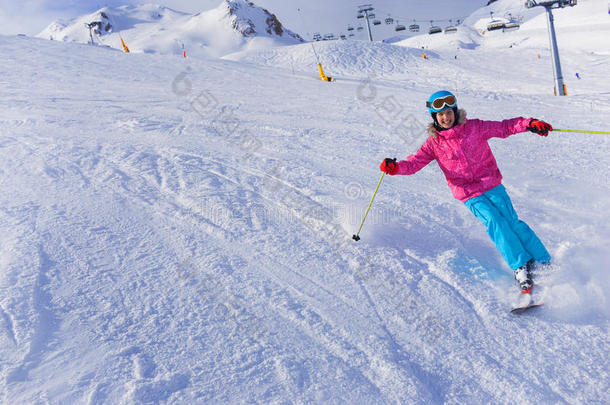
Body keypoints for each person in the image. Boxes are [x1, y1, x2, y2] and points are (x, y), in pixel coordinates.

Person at [380, 90, 552, 294]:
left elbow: (505, 127)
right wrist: (396, 167)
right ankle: (520, 266)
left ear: (455, 111)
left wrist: (530, 123)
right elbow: (414, 163)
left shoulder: (474, 128)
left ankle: (543, 260)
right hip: (468, 193)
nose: (445, 117)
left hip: (491, 183)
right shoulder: (433, 144)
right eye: (440, 115)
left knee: (512, 221)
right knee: (495, 223)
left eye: (448, 112)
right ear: (434, 118)